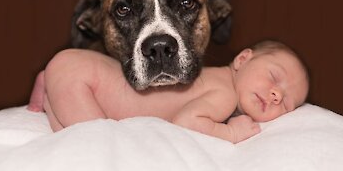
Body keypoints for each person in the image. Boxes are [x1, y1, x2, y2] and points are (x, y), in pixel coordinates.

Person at [28, 40, 309, 144]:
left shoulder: (218, 81)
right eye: (274, 77)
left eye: (285, 103)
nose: (275, 95)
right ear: (243, 59)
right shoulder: (225, 94)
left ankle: (51, 81)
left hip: (77, 68)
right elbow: (186, 123)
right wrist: (231, 134)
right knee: (96, 138)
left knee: (67, 119)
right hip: (84, 81)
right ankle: (55, 79)